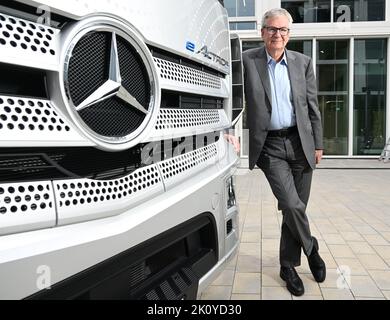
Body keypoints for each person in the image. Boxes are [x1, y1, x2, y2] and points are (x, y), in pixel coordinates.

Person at [241, 8, 326, 296]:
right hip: (270, 147)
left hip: (301, 143)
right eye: (272, 29)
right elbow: (235, 98)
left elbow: (312, 107)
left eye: (283, 30)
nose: (277, 35)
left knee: (296, 209)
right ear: (262, 31)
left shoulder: (303, 63)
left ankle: (287, 266)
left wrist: (318, 144)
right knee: (291, 205)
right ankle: (312, 249)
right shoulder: (247, 61)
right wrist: (228, 129)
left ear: (289, 34)